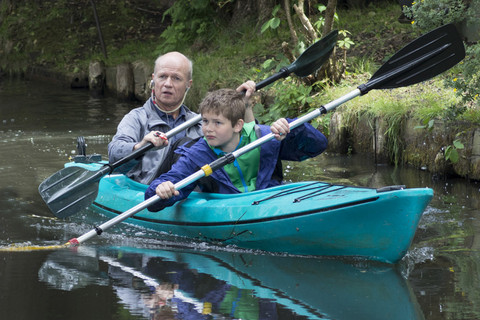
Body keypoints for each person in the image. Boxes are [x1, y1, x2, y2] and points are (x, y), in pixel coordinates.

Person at [145, 88, 328, 212]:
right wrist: (160, 190)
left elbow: (317, 146)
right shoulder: (197, 155)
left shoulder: (264, 138)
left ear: (237, 125)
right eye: (205, 121)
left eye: (217, 123)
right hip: (228, 210)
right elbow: (154, 200)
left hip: (269, 204)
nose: (208, 128)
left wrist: (292, 127)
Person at [108, 51, 256, 185]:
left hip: (197, 189)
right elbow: (114, 153)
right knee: (186, 146)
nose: (167, 84)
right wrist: (140, 147)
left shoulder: (201, 122)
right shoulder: (136, 118)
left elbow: (241, 147)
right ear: (153, 80)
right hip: (151, 188)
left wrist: (245, 106)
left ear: (188, 85)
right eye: (162, 77)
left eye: (176, 78)